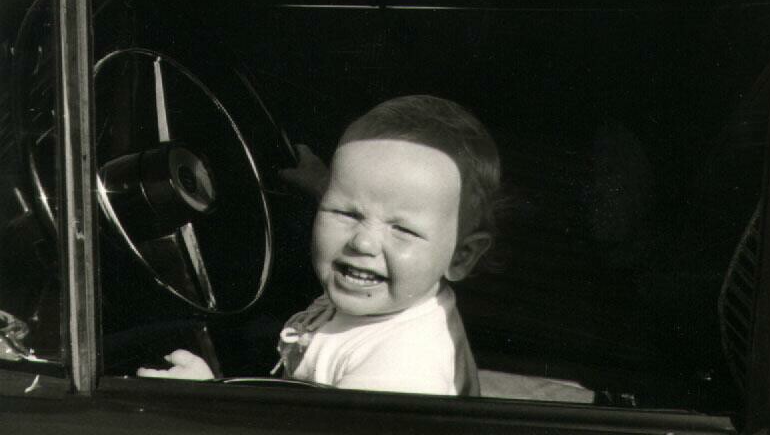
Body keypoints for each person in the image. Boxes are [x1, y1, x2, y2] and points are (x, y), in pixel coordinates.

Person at [138, 95, 500, 396]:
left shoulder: (399, 373)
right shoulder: (389, 294)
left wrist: (209, 403)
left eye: (402, 230)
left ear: (461, 255)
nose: (362, 241)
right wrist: (322, 183)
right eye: (345, 211)